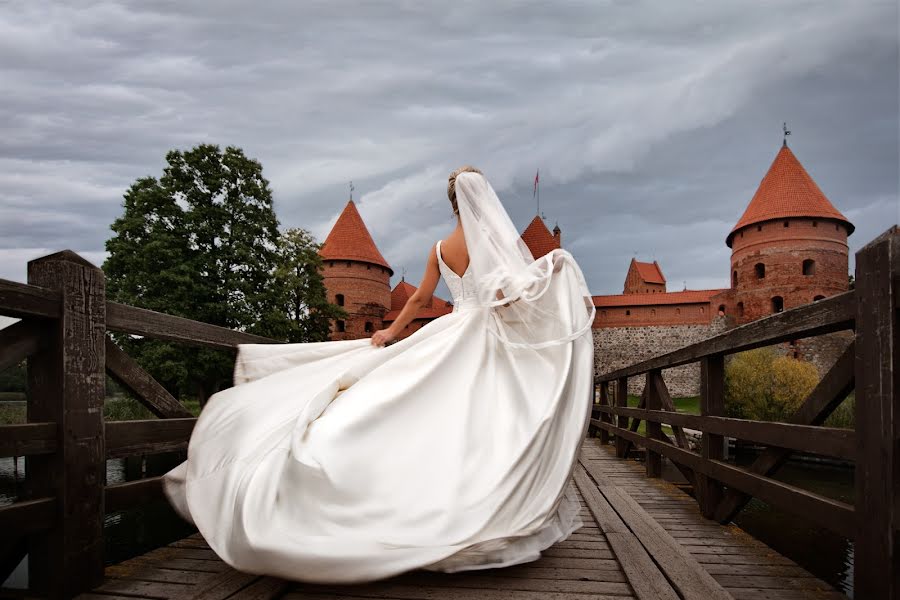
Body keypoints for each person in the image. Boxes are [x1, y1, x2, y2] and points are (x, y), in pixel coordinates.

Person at [162, 166, 597, 584]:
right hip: (485, 336)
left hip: (450, 329)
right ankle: (483, 502)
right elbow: (509, 298)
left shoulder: (440, 249)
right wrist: (552, 271)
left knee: (410, 401)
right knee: (491, 416)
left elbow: (420, 298)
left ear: (453, 204)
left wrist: (390, 331)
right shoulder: (496, 245)